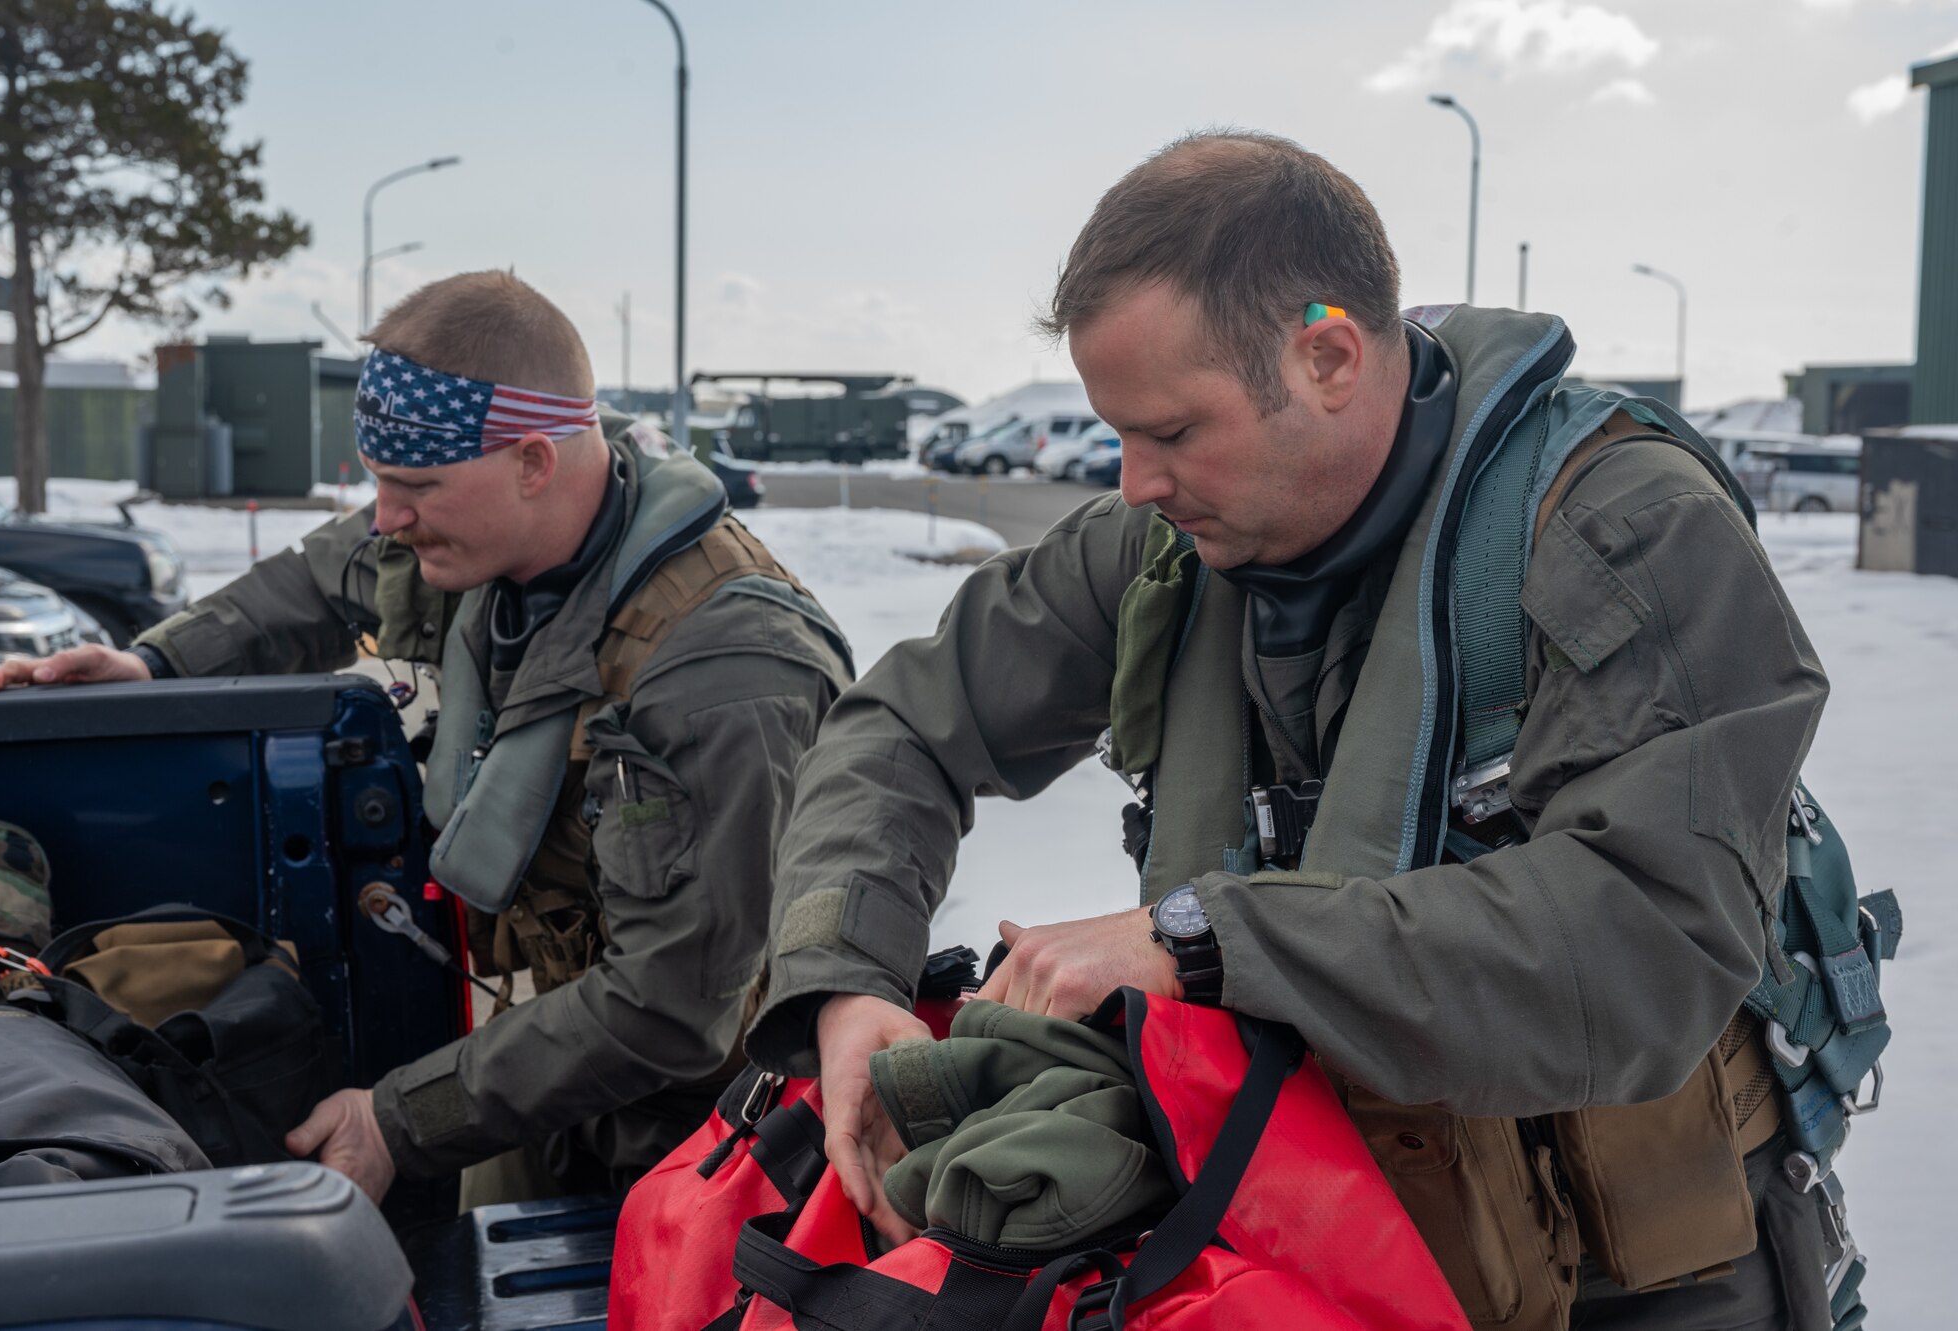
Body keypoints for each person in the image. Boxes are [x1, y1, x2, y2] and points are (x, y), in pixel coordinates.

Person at [741, 132, 1843, 1331]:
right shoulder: (1168, 547)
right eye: (1115, 431)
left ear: (1324, 357)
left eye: (1168, 431)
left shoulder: (1621, 535)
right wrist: (843, 985)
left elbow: (1645, 945)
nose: (1130, 482)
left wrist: (1200, 941)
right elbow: (901, 722)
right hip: (1298, 1233)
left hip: (1628, 1283)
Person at [0, 271, 853, 1206]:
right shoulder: (477, 530)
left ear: (535, 462)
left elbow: (675, 1007)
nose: (387, 514)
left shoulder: (724, 670)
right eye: (380, 482)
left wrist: (399, 1120)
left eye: (414, 485)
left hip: (715, 1141)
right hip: (559, 1071)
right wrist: (154, 665)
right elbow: (312, 578)